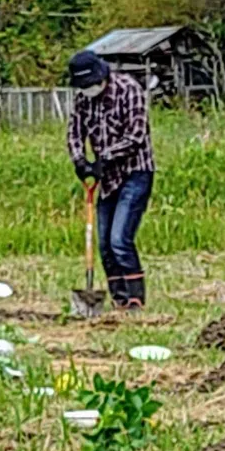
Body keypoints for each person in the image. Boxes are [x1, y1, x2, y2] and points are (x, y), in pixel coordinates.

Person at [65, 50, 155, 310]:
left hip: (135, 171)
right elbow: (74, 132)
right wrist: (80, 161)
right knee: (104, 243)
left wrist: (105, 157)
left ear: (102, 76)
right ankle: (119, 298)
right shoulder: (83, 99)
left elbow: (136, 136)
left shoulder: (129, 90)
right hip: (107, 179)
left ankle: (136, 299)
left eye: (90, 84)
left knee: (119, 239)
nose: (88, 90)